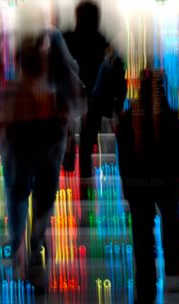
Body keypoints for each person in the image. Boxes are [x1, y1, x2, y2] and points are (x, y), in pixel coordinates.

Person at [0, 2, 83, 294]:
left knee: (16, 189)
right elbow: (69, 84)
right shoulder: (53, 38)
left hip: (15, 131)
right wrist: (73, 134)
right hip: (50, 130)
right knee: (44, 193)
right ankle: (35, 246)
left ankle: (17, 242)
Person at [116, 68, 179, 303]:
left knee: (141, 232)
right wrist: (175, 185)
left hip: (139, 187)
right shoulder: (172, 119)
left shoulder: (129, 120)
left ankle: (146, 283)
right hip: (165, 184)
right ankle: (173, 274)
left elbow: (124, 160)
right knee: (172, 221)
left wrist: (129, 191)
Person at [63, 1, 113, 199]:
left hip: (72, 97)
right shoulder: (102, 40)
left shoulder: (68, 38)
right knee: (86, 146)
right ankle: (85, 190)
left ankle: (68, 164)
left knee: (70, 138)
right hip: (94, 99)